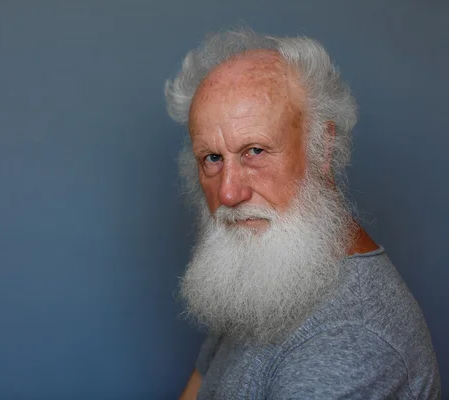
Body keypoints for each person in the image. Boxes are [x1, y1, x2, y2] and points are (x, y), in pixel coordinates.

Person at [164, 28, 441, 399]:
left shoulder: (352, 339)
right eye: (212, 158)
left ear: (321, 150)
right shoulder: (262, 271)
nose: (229, 192)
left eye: (255, 151)